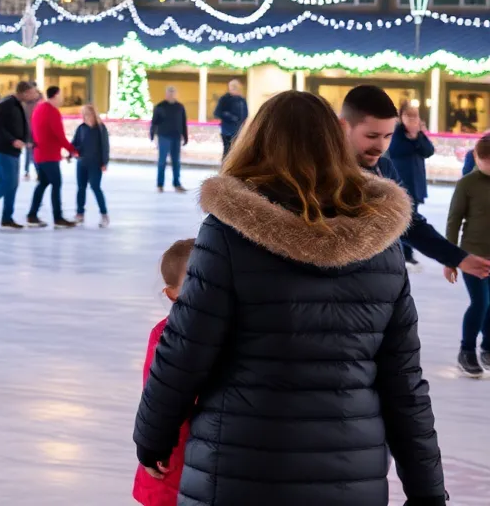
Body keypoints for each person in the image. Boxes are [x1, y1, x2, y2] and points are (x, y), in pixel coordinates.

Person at [133, 90, 447, 506]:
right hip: (349, 475)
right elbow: (403, 380)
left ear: (256, 141)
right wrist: (426, 489)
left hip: (238, 470)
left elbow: (186, 348)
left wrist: (154, 437)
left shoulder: (228, 233)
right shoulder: (381, 245)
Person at [340, 85, 490, 278]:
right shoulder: (322, 174)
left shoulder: (383, 168)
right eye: (371, 136)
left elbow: (408, 221)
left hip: (383, 287)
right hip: (346, 291)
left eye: (387, 136)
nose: (381, 146)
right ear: (344, 126)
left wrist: (456, 257)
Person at [132, 238, 194, 506]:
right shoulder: (166, 337)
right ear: (172, 294)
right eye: (194, 282)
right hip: (172, 462)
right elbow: (158, 397)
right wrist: (154, 443)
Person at [445, 134, 490, 377]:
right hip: (473, 256)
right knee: (481, 303)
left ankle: (488, 347)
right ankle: (467, 351)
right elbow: (453, 221)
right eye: (487, 162)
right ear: (477, 158)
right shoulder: (467, 185)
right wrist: (450, 259)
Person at [0, 81, 40, 229]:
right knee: (9, 183)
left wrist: (26, 141)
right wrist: (13, 140)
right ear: (25, 92)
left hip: (12, 151)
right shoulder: (6, 104)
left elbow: (20, 126)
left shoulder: (18, 105)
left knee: (12, 184)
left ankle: (7, 218)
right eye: (33, 92)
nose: (35, 96)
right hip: (2, 150)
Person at [389, 101, 434, 266]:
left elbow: (428, 151)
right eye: (408, 115)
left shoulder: (419, 135)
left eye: (415, 115)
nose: (412, 119)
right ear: (401, 117)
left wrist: (417, 137)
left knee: (413, 220)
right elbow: (395, 151)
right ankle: (399, 253)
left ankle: (407, 253)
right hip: (400, 182)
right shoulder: (396, 133)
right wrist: (412, 139)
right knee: (400, 219)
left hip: (416, 183)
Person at [27, 86, 78, 228]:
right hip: (49, 155)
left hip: (39, 154)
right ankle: (58, 217)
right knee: (56, 184)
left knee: (43, 183)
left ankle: (32, 215)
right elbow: (59, 135)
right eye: (61, 95)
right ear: (55, 96)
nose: (62, 98)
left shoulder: (39, 108)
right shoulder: (52, 111)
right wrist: (73, 150)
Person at [72, 104, 110, 228]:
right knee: (81, 188)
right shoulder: (81, 128)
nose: (86, 117)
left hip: (95, 164)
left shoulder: (100, 128)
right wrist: (71, 153)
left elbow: (105, 146)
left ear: (94, 114)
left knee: (95, 187)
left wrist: (104, 162)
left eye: (88, 114)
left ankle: (104, 214)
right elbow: (75, 143)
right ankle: (80, 214)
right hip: (81, 163)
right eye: (84, 114)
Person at [149, 86, 187, 193]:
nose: (171, 95)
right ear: (166, 94)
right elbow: (154, 122)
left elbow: (183, 123)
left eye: (173, 93)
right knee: (162, 161)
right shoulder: (160, 107)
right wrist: (152, 135)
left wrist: (185, 136)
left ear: (176, 94)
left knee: (176, 162)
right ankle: (160, 185)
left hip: (176, 137)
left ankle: (177, 184)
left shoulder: (180, 107)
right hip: (163, 137)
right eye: (169, 93)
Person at [212, 79, 247, 158]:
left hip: (239, 130)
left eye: (236, 86)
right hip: (227, 131)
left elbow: (245, 114)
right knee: (228, 151)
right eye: (232, 86)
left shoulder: (242, 100)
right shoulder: (224, 99)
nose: (234, 88)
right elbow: (217, 113)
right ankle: (226, 168)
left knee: (236, 152)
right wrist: (230, 117)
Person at [21, 85, 41, 180]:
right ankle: (27, 171)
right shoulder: (25, 104)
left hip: (38, 132)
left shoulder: (41, 103)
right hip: (28, 131)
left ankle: (38, 172)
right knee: (29, 153)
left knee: (36, 153)